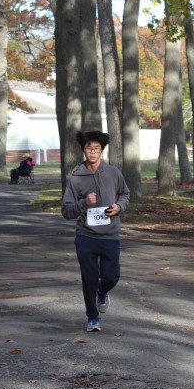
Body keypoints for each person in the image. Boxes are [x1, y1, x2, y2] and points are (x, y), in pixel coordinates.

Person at [61, 130, 130, 332]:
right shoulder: (76, 178)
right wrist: (84, 203)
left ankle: (102, 291)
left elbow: (125, 194)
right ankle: (92, 317)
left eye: (96, 149)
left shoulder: (113, 173)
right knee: (89, 278)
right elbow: (66, 210)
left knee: (111, 276)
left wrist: (119, 207)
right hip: (86, 235)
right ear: (83, 150)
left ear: (101, 151)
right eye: (89, 148)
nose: (92, 152)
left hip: (110, 234)